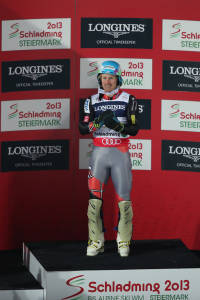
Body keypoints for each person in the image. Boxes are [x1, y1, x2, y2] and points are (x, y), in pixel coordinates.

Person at [79, 60, 139, 257]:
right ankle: (96, 241)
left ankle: (123, 241)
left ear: (118, 79)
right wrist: (98, 122)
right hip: (99, 155)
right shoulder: (91, 100)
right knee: (94, 202)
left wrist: (117, 126)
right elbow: (82, 128)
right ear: (100, 79)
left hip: (120, 154)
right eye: (104, 78)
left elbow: (134, 129)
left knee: (124, 201)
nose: (107, 82)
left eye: (111, 78)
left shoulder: (129, 99)